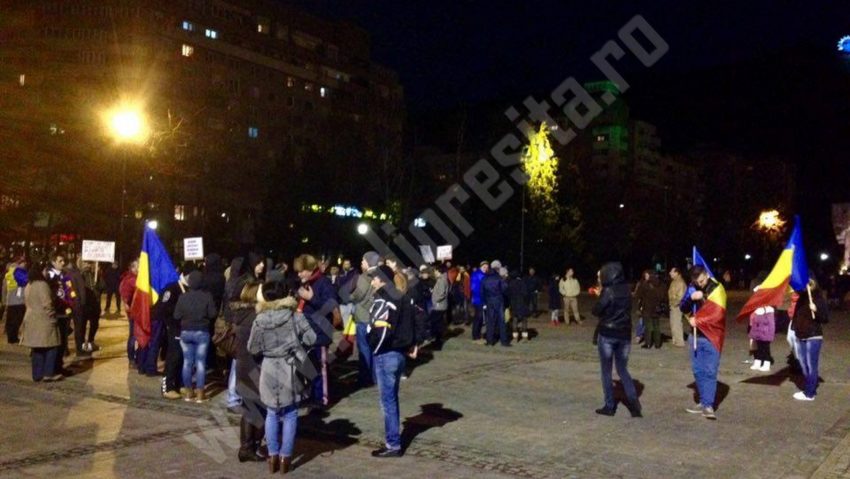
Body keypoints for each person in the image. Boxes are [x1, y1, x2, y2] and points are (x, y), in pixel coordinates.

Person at [248, 281, 317, 473]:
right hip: (290, 366)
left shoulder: (259, 320)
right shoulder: (295, 316)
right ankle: (286, 458)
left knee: (271, 413)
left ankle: (273, 457)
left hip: (269, 366)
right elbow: (312, 338)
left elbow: (252, 348)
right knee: (290, 413)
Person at [368, 265, 415, 457]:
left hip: (387, 353)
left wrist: (374, 347)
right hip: (400, 354)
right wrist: (411, 344)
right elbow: (414, 320)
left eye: (374, 279)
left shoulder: (383, 298)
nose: (372, 282)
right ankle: (393, 441)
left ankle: (393, 444)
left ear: (382, 280)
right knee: (392, 399)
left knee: (387, 401)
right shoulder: (403, 296)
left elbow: (380, 331)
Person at [592, 263, 641, 417]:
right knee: (622, 369)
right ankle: (634, 403)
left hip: (608, 333)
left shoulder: (608, 291)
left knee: (606, 371)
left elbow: (597, 310)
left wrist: (600, 295)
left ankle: (609, 405)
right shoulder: (626, 289)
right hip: (624, 334)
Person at [680, 265, 727, 420]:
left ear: (706, 275)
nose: (699, 284)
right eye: (696, 281)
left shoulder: (718, 289)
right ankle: (703, 400)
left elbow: (717, 315)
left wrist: (702, 299)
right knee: (697, 370)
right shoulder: (693, 287)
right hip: (695, 337)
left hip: (711, 337)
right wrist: (690, 297)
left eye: (701, 280)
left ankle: (708, 405)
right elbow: (682, 306)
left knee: (710, 371)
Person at [229, 281, 266, 462]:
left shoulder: (239, 314)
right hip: (255, 365)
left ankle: (247, 446)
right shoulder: (256, 317)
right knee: (259, 408)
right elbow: (259, 346)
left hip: (242, 364)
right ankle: (252, 447)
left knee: (248, 407)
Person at [294, 253, 336, 406]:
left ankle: (322, 399)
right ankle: (312, 394)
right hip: (306, 332)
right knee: (309, 367)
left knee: (321, 367)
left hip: (320, 332)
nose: (299, 274)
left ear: (310, 269)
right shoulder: (306, 283)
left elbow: (331, 305)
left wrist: (312, 298)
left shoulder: (323, 283)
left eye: (301, 271)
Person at [174, 270, 218, 402]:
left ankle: (188, 392)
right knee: (200, 363)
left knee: (187, 362)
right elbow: (212, 314)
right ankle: (200, 393)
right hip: (201, 332)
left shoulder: (183, 297)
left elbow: (176, 315)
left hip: (186, 332)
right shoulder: (207, 296)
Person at [20, 265, 63, 382]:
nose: (46, 272)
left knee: (37, 349)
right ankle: (48, 373)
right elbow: (47, 303)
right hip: (43, 320)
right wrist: (52, 316)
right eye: (44, 270)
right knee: (52, 346)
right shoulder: (42, 285)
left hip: (31, 319)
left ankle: (37, 374)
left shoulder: (29, 285)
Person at [790, 278, 828, 401]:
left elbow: (825, 318)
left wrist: (816, 310)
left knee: (811, 365)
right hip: (800, 335)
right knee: (804, 364)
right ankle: (809, 387)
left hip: (813, 336)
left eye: (811, 283)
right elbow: (796, 316)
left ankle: (809, 393)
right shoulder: (802, 299)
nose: (808, 285)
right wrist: (794, 329)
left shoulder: (818, 299)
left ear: (815, 284)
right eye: (807, 283)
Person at [350, 251, 379, 387]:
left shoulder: (364, 277)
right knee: (374, 348)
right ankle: (375, 376)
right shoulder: (380, 275)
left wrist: (350, 297)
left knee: (364, 349)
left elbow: (358, 295)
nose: (361, 263)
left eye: (363, 261)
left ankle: (365, 377)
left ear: (368, 262)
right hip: (375, 316)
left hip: (363, 316)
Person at [160, 273, 186, 400]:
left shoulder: (189, 288)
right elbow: (164, 308)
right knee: (173, 357)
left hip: (185, 329)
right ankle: (168, 387)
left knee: (182, 357)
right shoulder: (172, 288)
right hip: (174, 328)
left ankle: (179, 384)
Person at [634, 270, 665, 349]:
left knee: (648, 327)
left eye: (647, 275)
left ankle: (648, 343)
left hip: (647, 308)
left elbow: (638, 295)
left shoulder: (645, 284)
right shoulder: (660, 284)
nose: (646, 277)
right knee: (656, 327)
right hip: (656, 309)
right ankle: (658, 344)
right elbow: (663, 296)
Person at [482, 260, 509, 347]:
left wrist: (485, 301)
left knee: (490, 321)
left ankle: (490, 341)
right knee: (501, 321)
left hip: (489, 301)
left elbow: (482, 290)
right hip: (499, 300)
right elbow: (505, 288)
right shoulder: (499, 278)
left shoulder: (485, 278)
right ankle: (504, 341)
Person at [119, 260, 139, 365]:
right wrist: (128, 306)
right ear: (132, 268)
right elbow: (125, 296)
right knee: (133, 335)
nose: (139, 268)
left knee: (135, 335)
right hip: (134, 313)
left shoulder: (133, 278)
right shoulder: (131, 280)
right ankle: (131, 357)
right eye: (137, 266)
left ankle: (134, 355)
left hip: (137, 312)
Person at [3, 257, 27, 344]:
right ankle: (13, 337)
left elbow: (4, 288)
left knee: (11, 320)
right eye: (24, 263)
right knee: (17, 320)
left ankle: (11, 337)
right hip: (19, 301)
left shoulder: (9, 273)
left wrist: (4, 300)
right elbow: (24, 287)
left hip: (10, 300)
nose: (25, 265)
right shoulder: (20, 272)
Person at [429, 265, 449, 349]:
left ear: (438, 271)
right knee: (438, 323)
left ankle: (437, 342)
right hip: (440, 305)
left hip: (439, 306)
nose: (434, 273)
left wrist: (435, 300)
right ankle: (437, 341)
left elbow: (442, 293)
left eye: (435, 271)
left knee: (436, 324)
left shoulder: (441, 280)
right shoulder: (442, 279)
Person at [668, 267, 687, 347]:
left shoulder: (680, 283)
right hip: (673, 305)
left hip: (677, 306)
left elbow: (681, 297)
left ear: (677, 273)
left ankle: (679, 341)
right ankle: (675, 340)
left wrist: (674, 303)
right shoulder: (674, 281)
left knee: (677, 323)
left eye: (672, 272)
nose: (670, 273)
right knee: (673, 323)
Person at [508, 270, 529, 341]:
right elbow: (526, 294)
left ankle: (515, 336)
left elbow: (509, 294)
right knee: (524, 320)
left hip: (514, 304)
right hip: (522, 303)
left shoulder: (511, 283)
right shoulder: (523, 283)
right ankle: (524, 336)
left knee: (515, 320)